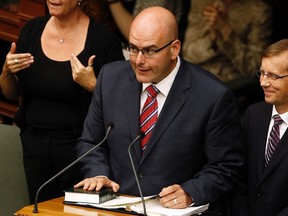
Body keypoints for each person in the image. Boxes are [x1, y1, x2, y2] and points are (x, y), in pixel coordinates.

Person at [74, 6, 244, 214]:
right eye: (133, 48)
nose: (138, 60)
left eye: (150, 51)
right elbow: (91, 142)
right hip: (115, 208)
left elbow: (226, 165)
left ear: (174, 49)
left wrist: (190, 192)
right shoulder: (110, 79)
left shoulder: (212, 96)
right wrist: (98, 173)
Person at [0, 0, 124, 204]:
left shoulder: (103, 41)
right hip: (34, 146)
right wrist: (6, 71)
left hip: (80, 151)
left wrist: (93, 85)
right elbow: (10, 93)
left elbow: (121, 106)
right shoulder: (32, 30)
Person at [239, 39, 288, 216]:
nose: (263, 83)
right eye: (262, 73)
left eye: (273, 76)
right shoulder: (254, 115)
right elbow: (241, 176)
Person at [182, 0, 272, 82]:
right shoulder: (201, 3)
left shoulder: (258, 11)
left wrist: (225, 30)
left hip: (229, 83)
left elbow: (254, 68)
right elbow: (188, 54)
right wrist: (212, 38)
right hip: (194, 77)